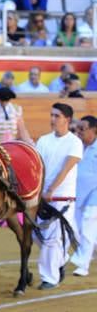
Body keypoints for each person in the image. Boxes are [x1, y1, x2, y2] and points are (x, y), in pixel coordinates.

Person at [34, 103, 82, 289]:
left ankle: (50, 278)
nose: (53, 119)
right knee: (36, 235)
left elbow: (66, 168)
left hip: (62, 197)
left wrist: (51, 190)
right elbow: (38, 167)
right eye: (52, 115)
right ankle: (61, 258)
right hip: (43, 197)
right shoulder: (44, 140)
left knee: (52, 239)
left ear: (67, 120)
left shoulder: (74, 142)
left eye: (57, 116)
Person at [70, 115, 97, 276]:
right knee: (76, 228)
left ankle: (83, 264)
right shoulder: (76, 146)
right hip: (78, 194)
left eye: (82, 129)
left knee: (87, 225)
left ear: (94, 131)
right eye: (77, 128)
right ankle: (89, 251)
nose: (78, 132)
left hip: (95, 194)